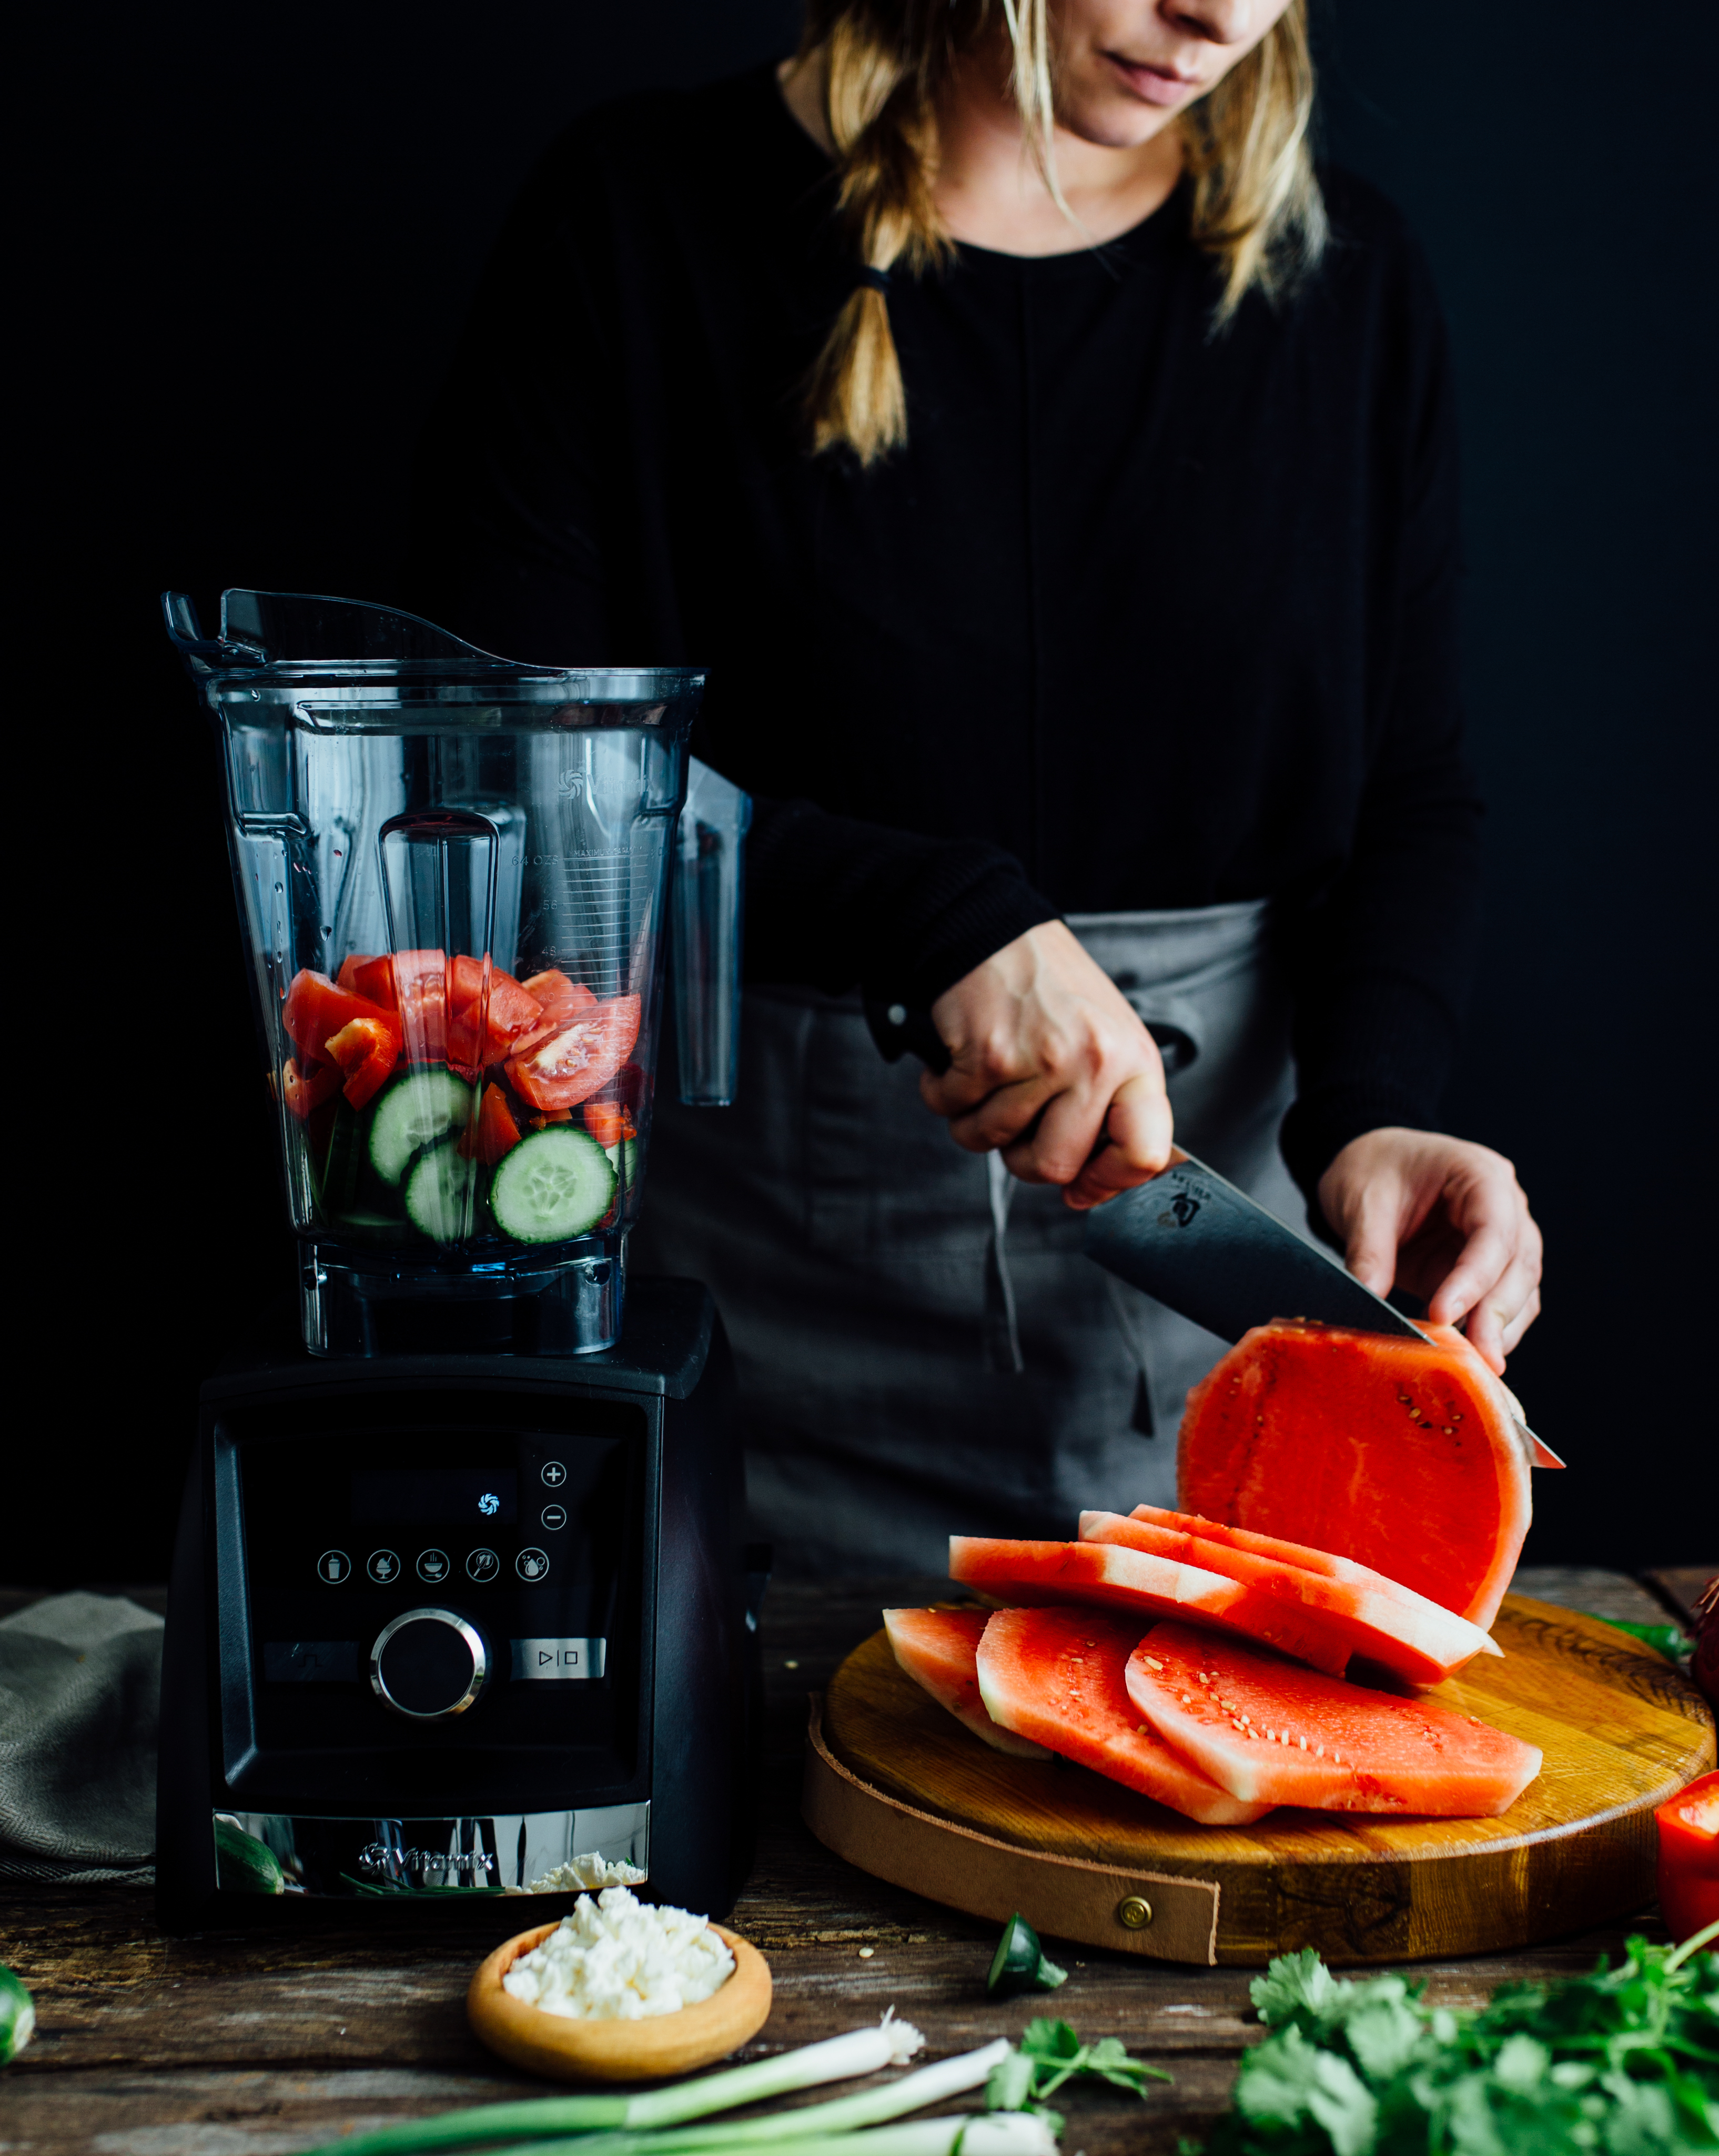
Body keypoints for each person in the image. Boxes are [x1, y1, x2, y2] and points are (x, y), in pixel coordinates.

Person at [410, 0, 1544, 1578]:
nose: (1217, 16)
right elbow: (511, 765)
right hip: (743, 1281)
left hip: (1215, 1271)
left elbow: (1412, 789)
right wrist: (926, 917)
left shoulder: (1348, 271)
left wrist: (1377, 1109)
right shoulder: (635, 211)